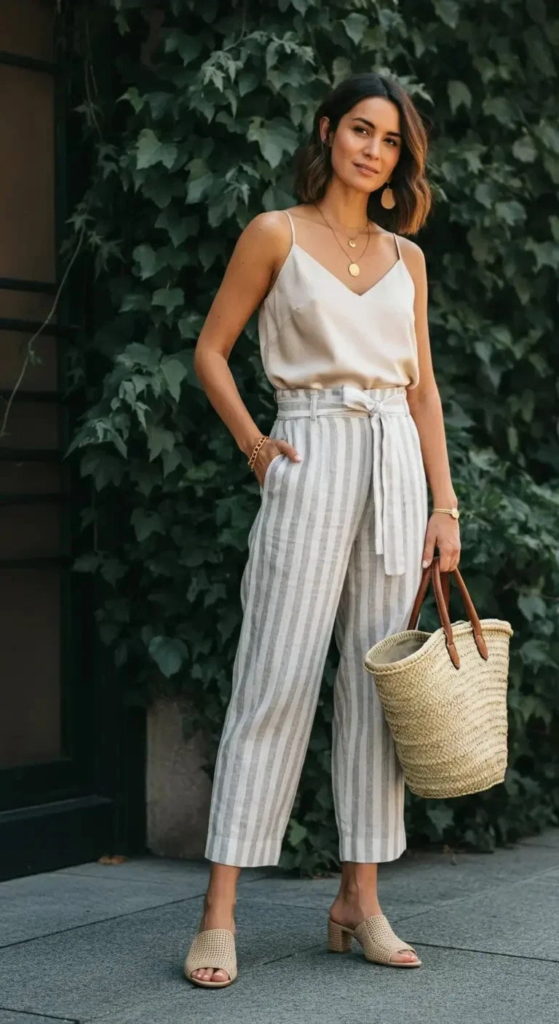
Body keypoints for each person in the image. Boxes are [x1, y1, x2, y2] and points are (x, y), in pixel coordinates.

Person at [184, 72, 461, 988]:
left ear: (397, 161)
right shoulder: (275, 234)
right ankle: (218, 913)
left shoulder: (407, 258)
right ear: (327, 131)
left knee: (376, 694)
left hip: (390, 465)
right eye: (360, 130)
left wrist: (443, 504)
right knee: (273, 674)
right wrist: (258, 444)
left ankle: (359, 899)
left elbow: (420, 391)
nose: (372, 149)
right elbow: (210, 351)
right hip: (307, 452)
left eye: (389, 140)